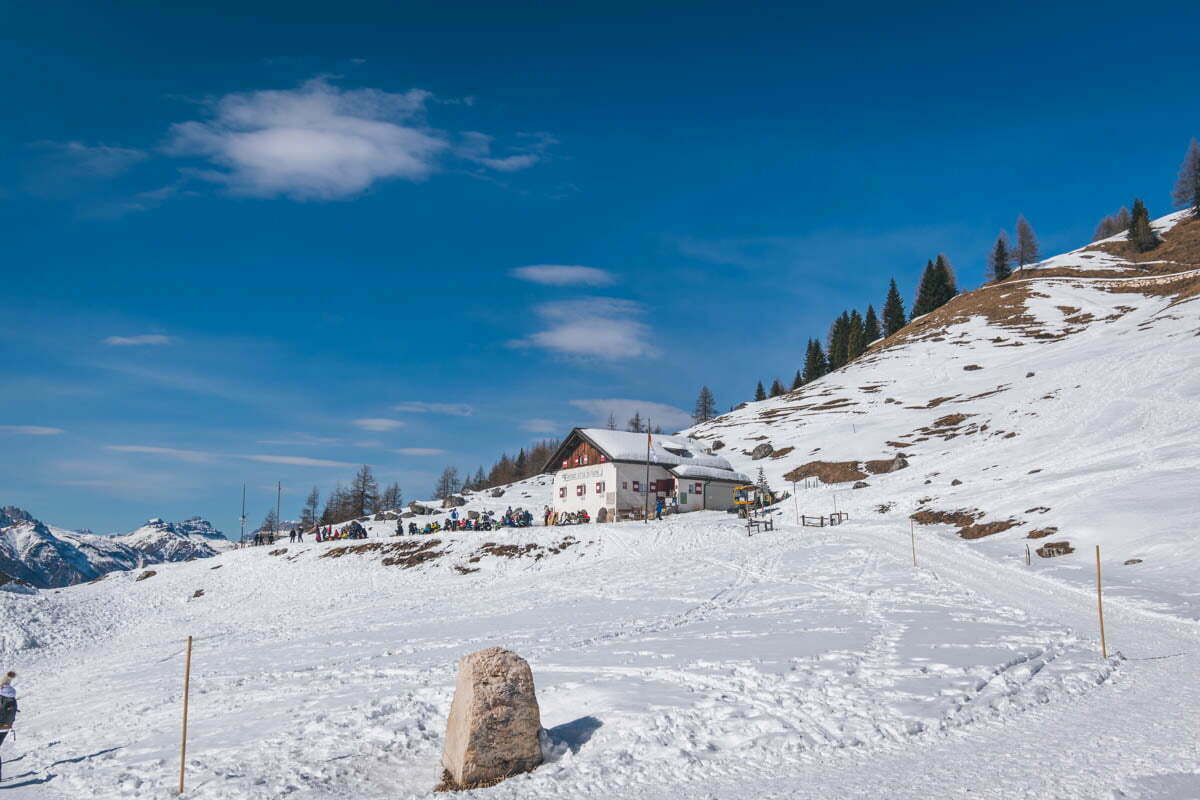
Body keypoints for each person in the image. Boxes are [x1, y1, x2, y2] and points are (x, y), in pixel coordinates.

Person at [0, 672, 18, 750]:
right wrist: (8, 676)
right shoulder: (11, 695)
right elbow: (5, 682)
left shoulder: (2, 698)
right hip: (7, 727)